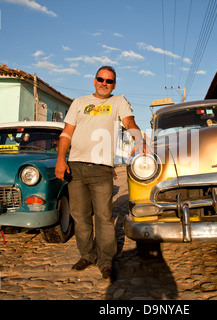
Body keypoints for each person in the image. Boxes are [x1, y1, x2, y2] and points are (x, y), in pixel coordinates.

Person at [55, 66, 146, 279]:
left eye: (109, 81)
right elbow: (67, 133)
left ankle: (106, 261)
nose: (104, 83)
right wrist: (61, 159)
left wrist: (139, 139)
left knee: (104, 217)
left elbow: (129, 122)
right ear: (94, 80)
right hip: (75, 167)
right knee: (80, 215)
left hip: (101, 169)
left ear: (114, 85)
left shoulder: (118, 103)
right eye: (101, 79)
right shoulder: (78, 103)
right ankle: (87, 255)